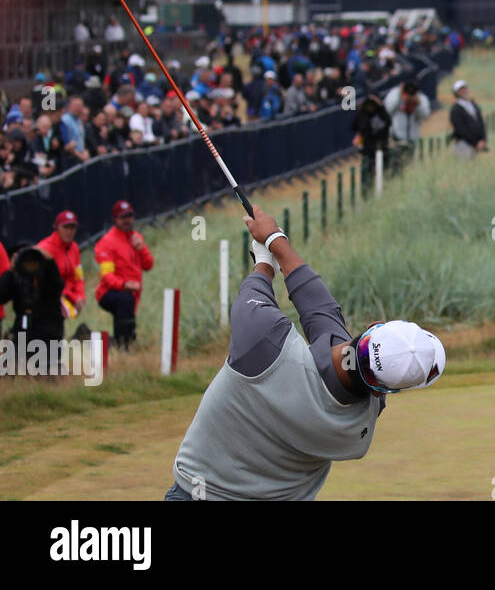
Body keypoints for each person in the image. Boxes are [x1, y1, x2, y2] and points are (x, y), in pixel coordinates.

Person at [165, 204, 445, 500]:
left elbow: (257, 294)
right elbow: (322, 313)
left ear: (375, 325)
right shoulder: (358, 433)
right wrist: (274, 241)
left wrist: (265, 258)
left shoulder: (263, 344)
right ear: (382, 393)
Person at [94, 200, 154, 350]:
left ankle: (119, 344)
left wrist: (141, 248)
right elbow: (106, 276)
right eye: (122, 217)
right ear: (115, 219)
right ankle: (123, 345)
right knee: (125, 300)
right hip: (109, 292)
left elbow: (148, 265)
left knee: (127, 309)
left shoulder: (136, 238)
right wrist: (124, 285)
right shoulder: (107, 242)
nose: (127, 220)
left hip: (131, 292)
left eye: (129, 216)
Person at [34, 210, 86, 323]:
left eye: (72, 227)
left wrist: (80, 296)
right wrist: (72, 296)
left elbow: (78, 277)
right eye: (65, 227)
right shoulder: (45, 249)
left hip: (67, 297)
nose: (69, 231)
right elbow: (46, 283)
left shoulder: (74, 248)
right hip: (50, 298)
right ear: (57, 228)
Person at [351, 93, 392, 184]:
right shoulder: (363, 114)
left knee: (384, 172)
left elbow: (388, 122)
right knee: (367, 175)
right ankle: (366, 191)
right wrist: (361, 111)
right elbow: (354, 126)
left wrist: (381, 107)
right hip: (368, 149)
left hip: (382, 147)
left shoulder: (381, 112)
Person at [448, 80, 486, 160]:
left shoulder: (474, 105)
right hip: (463, 144)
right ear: (456, 93)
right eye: (461, 90)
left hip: (478, 144)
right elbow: (461, 129)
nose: (464, 91)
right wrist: (475, 143)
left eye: (465, 88)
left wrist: (483, 139)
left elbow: (481, 123)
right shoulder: (455, 109)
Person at [384, 80, 430, 145]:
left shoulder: (420, 97)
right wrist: (400, 97)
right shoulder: (394, 94)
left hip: (413, 137)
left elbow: (426, 115)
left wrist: (418, 103)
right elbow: (388, 111)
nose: (409, 92)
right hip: (396, 137)